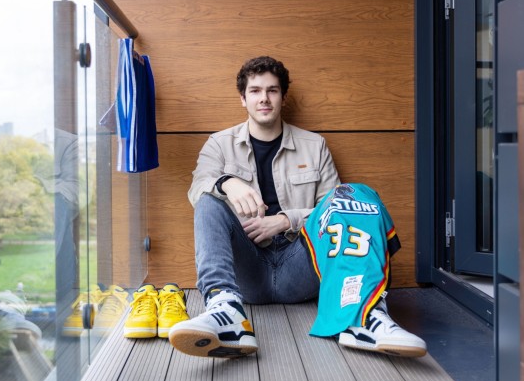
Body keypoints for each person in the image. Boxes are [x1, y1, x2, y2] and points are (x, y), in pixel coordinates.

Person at [168, 56, 426, 358]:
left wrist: (284, 221)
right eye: (255, 91)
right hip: (248, 269)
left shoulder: (314, 145)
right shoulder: (219, 144)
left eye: (272, 90)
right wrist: (227, 182)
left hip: (302, 265)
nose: (264, 98)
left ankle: (364, 316)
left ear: (283, 97)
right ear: (243, 98)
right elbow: (198, 186)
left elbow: (336, 207)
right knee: (208, 200)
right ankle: (225, 310)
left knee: (355, 196)